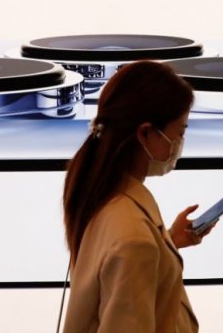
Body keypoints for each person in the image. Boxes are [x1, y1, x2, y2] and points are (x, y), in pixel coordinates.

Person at [62, 60, 215, 333]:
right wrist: (153, 245)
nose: (181, 142)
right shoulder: (134, 237)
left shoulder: (104, 196)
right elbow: (131, 252)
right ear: (145, 133)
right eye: (180, 131)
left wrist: (168, 243)